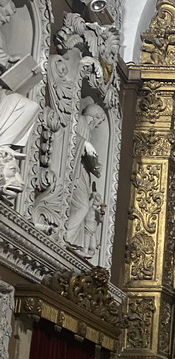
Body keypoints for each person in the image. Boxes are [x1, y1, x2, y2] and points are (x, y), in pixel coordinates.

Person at [65, 100, 105, 254]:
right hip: (76, 171)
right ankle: (68, 236)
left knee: (83, 206)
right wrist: (85, 145)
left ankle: (76, 241)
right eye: (98, 121)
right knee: (82, 206)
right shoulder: (81, 122)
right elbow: (72, 139)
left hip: (82, 171)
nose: (97, 125)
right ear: (92, 117)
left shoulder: (87, 128)